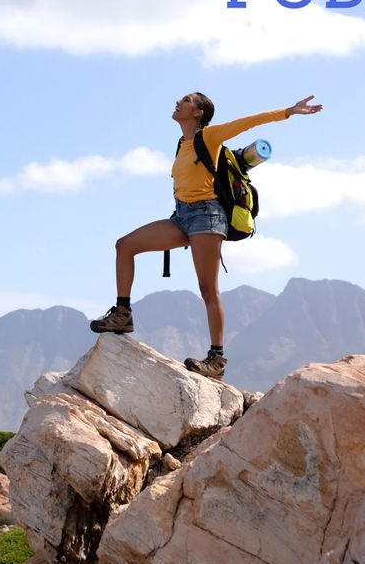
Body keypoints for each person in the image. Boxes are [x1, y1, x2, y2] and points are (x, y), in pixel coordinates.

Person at [90, 92, 323, 379]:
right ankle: (122, 314)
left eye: (186, 100)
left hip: (207, 216)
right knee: (125, 245)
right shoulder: (182, 143)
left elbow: (248, 122)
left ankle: (217, 359)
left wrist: (288, 111)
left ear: (199, 112)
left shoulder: (209, 136)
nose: (178, 101)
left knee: (208, 290)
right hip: (182, 217)